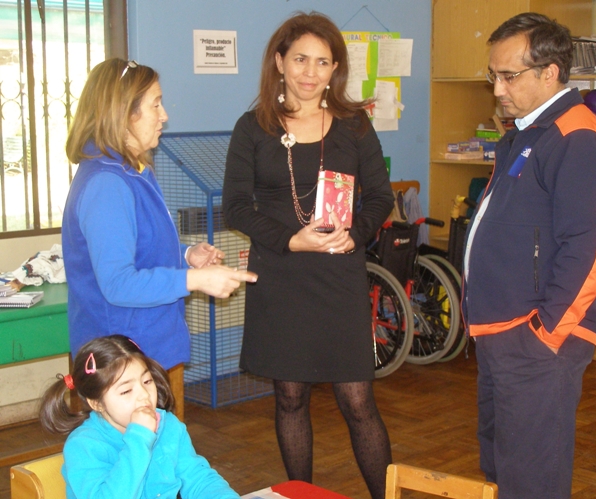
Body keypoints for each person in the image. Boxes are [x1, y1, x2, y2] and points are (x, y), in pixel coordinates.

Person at [222, 11, 394, 499]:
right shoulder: (252, 127)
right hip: (279, 275)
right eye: (300, 59)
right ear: (279, 62)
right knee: (290, 397)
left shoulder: (353, 124)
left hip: (339, 275)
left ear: (334, 68)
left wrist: (354, 233)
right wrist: (290, 239)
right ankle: (301, 494)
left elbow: (379, 196)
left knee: (359, 401)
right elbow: (236, 206)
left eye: (322, 62)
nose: (310, 72)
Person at [462, 12, 596, 499]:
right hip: (498, 332)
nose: (498, 88)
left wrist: (545, 334)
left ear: (550, 73)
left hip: (537, 339)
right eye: (494, 74)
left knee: (532, 481)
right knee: (502, 467)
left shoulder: (576, 136)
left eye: (509, 76)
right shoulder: (524, 131)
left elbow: (592, 248)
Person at [62, 58, 257, 419]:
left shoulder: (132, 170)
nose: (164, 115)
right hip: (120, 362)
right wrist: (198, 280)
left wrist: (185, 256)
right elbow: (118, 283)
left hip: (143, 349)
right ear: (124, 114)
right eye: (155, 104)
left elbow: (138, 247)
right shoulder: (107, 184)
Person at [39, 334, 240, 499]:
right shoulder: (84, 445)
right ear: (96, 403)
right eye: (126, 391)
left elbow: (198, 478)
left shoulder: (167, 425)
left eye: (147, 381)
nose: (144, 395)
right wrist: (139, 439)